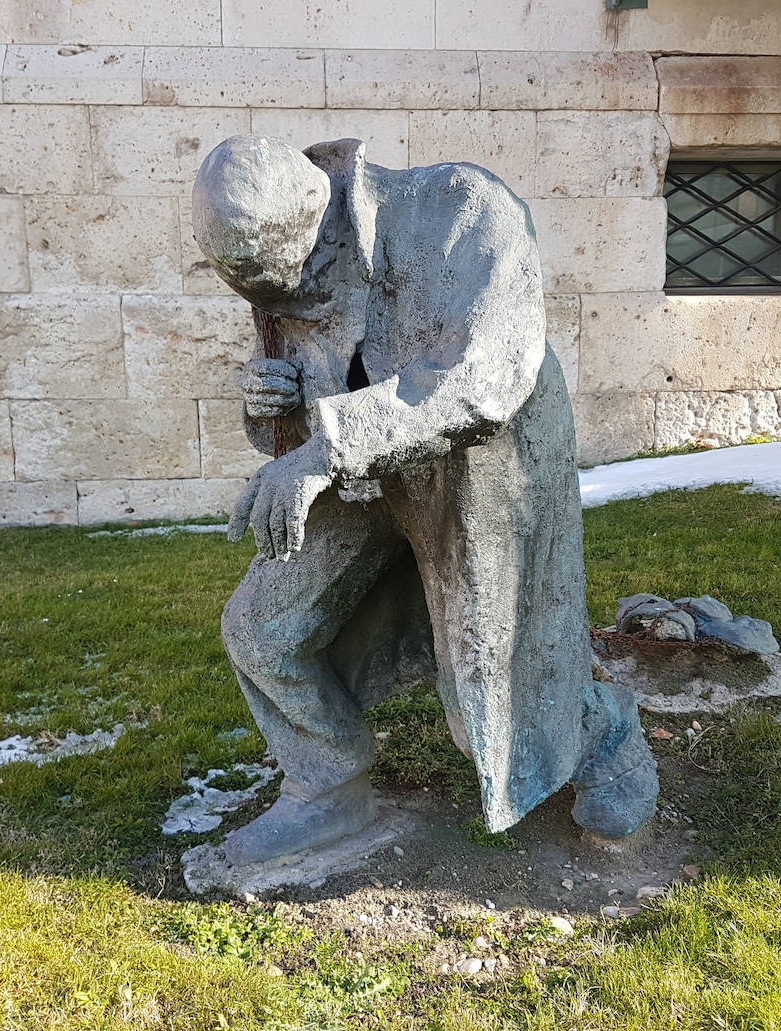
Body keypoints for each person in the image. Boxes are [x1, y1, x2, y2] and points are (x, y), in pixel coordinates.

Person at [192, 134, 657, 865]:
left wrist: (327, 445)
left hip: (481, 458)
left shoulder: (461, 210)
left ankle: (606, 732)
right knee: (261, 629)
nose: (287, 305)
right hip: (357, 464)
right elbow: (316, 375)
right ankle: (327, 782)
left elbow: (486, 379)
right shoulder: (285, 268)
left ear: (319, 223)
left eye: (291, 287)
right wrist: (270, 404)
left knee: (492, 687)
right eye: (268, 296)